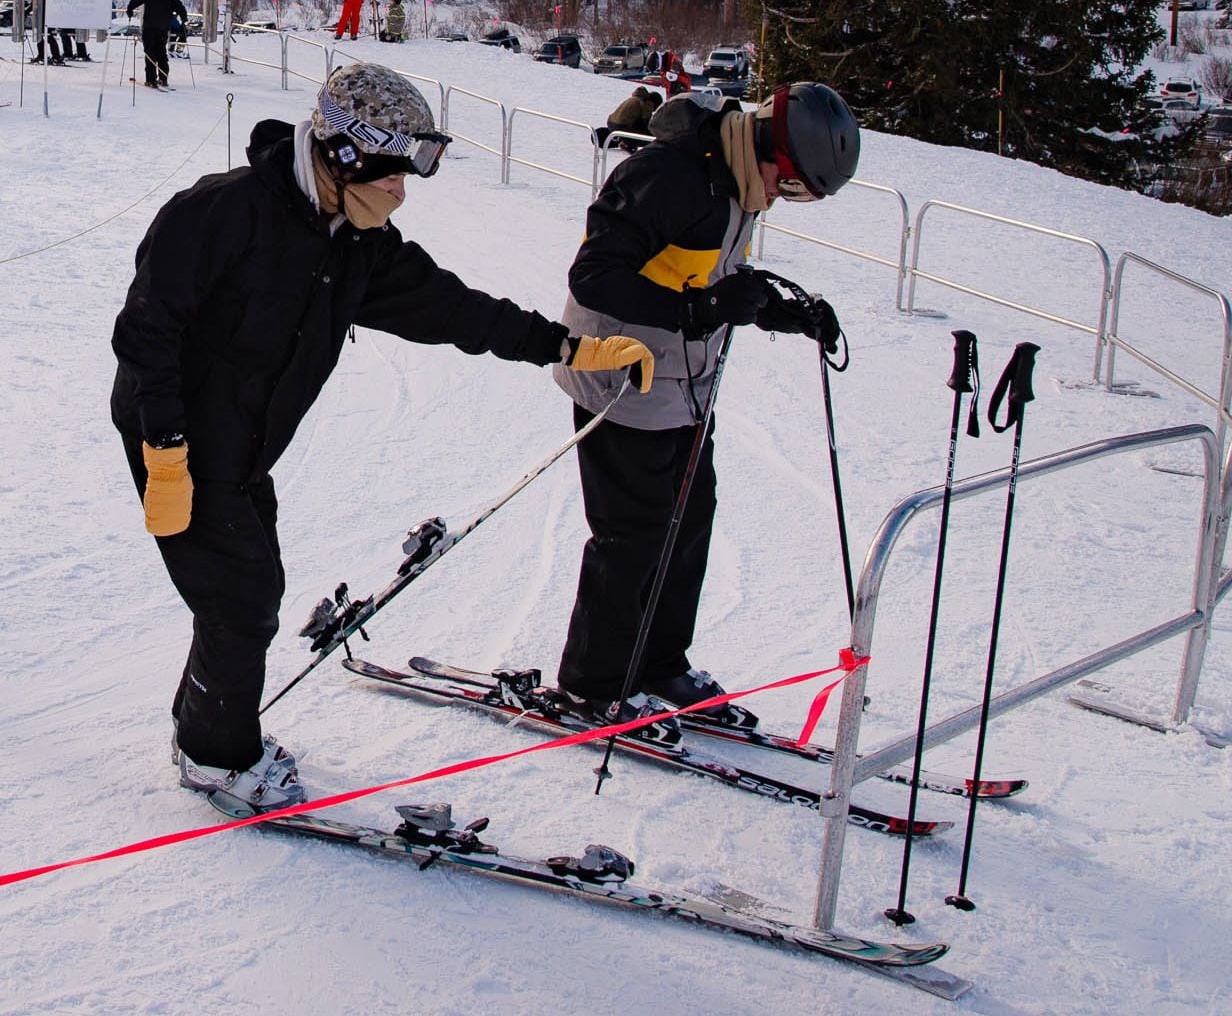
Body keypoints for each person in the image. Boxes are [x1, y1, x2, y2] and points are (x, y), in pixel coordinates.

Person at [110, 63, 654, 815]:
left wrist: (567, 347)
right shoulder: (221, 212)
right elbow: (146, 333)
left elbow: (455, 309)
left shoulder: (355, 243)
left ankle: (201, 725)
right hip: (176, 436)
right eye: (392, 173)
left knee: (245, 590)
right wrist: (166, 451)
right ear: (342, 154)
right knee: (241, 600)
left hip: (244, 443)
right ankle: (215, 755)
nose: (401, 192)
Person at [544, 82, 860, 735]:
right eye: (791, 185)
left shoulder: (739, 182)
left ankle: (659, 662)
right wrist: (700, 310)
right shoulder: (668, 175)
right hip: (621, 375)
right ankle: (592, 684)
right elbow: (593, 274)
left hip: (684, 385)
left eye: (802, 196)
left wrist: (785, 314)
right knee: (633, 534)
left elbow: (714, 280)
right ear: (770, 146)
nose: (784, 199)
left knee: (689, 522)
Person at [126, 0, 190, 90]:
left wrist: (129, 11)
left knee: (150, 53)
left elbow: (133, 2)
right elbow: (181, 9)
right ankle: (163, 78)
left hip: (149, 28)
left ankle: (151, 80)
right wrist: (184, 20)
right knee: (161, 52)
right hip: (163, 29)